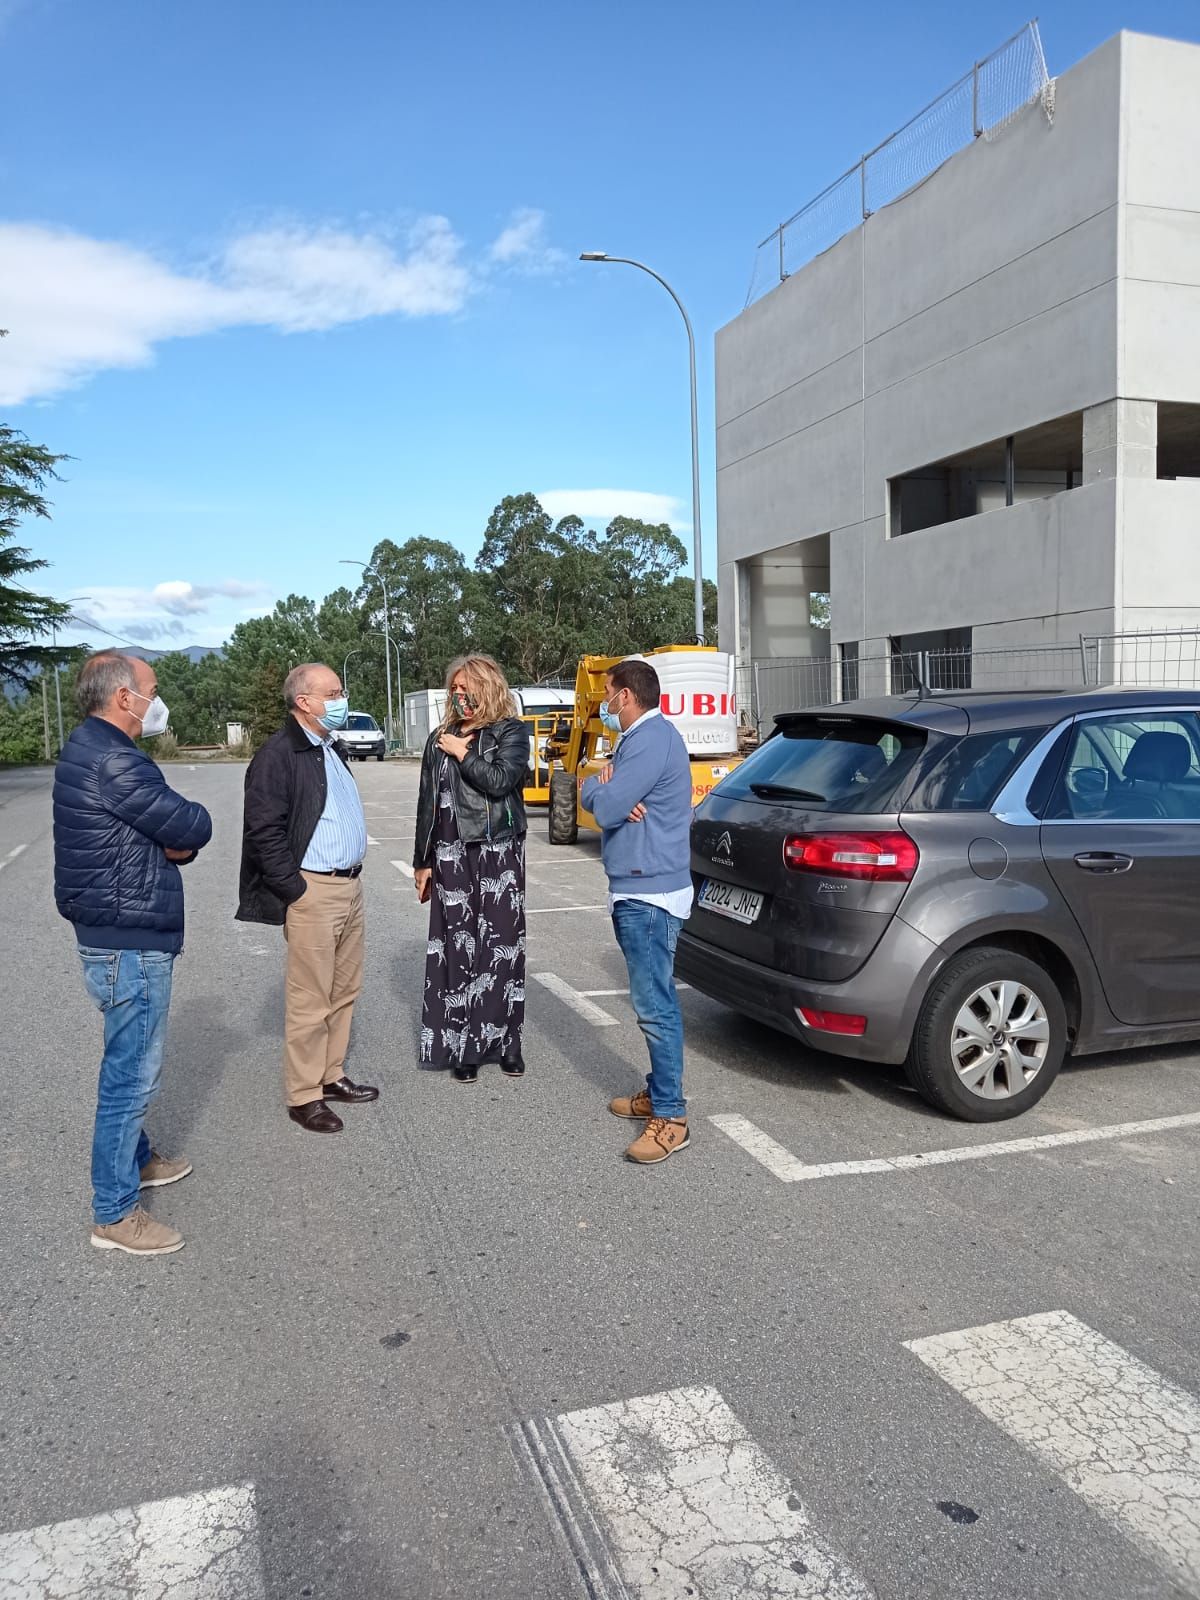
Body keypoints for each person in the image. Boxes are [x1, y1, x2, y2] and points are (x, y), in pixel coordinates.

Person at [53, 651, 213, 1256]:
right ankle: (115, 1213)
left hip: (111, 930)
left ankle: (139, 1159)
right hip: (128, 940)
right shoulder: (117, 761)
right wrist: (173, 841)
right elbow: (191, 825)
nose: (155, 699)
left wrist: (166, 843)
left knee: (127, 1061)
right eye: (150, 689)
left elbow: (160, 836)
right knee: (129, 1076)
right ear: (124, 697)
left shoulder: (87, 747)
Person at [237, 663, 378, 1133]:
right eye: (333, 692)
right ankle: (303, 1095)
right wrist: (293, 888)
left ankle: (331, 1074)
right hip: (314, 889)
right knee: (310, 998)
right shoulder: (280, 754)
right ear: (304, 702)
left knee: (344, 990)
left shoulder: (328, 747)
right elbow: (263, 830)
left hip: (349, 886)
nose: (342, 699)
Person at [580, 657, 694, 1164]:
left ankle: (671, 1116)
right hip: (637, 886)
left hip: (649, 894)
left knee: (654, 1006)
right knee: (651, 1001)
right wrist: (605, 788)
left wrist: (602, 789)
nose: (604, 702)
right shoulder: (637, 741)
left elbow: (601, 807)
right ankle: (657, 1091)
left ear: (625, 695)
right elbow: (605, 800)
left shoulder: (649, 740)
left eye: (608, 693)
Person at [413, 654, 527, 1082]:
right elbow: (428, 802)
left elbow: (500, 782)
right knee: (456, 947)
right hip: (449, 852)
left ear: (488, 688)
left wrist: (464, 754)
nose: (460, 697)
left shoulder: (510, 733)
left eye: (467, 689)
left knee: (501, 947)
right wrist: (421, 860)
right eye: (454, 690)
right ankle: (462, 1045)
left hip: (497, 849)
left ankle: (506, 1042)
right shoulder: (438, 737)